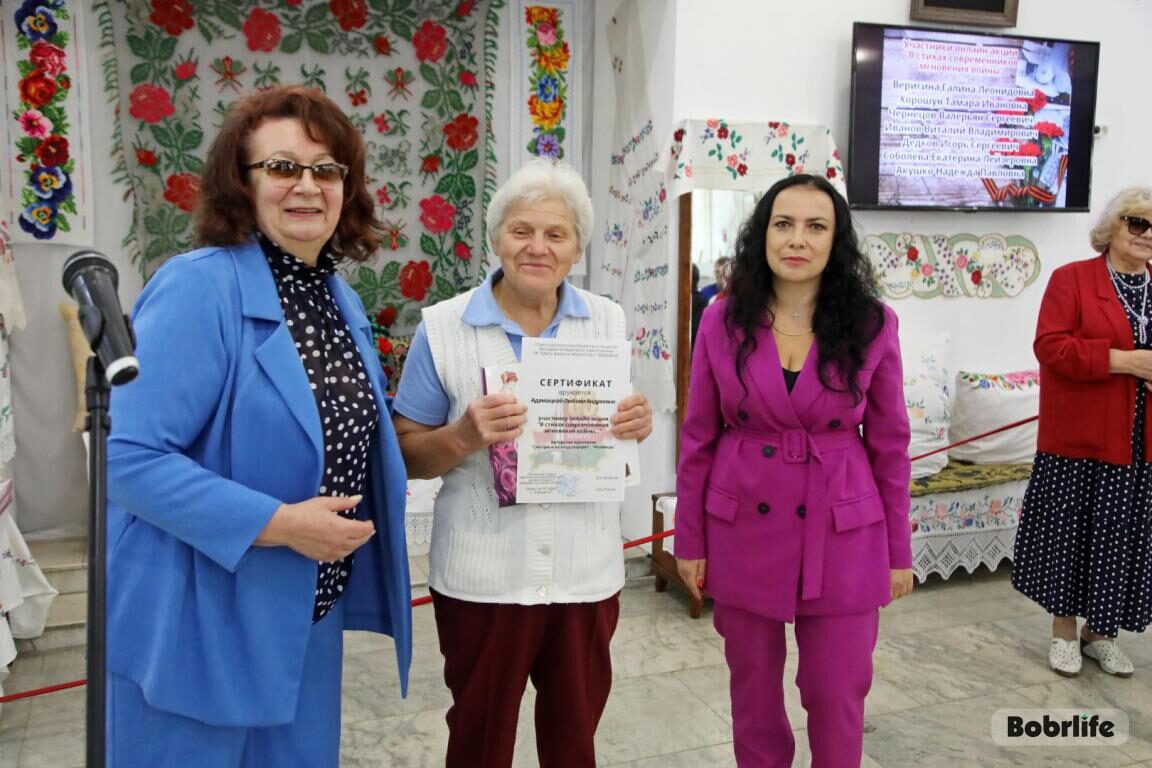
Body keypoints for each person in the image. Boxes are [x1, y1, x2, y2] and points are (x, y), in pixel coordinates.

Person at [105, 85, 412, 767]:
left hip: (306, 610)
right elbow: (125, 457)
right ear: (240, 184)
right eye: (282, 167)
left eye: (326, 170)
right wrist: (281, 524)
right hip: (200, 616)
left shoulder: (338, 299)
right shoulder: (199, 286)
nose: (307, 185)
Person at [392, 159, 653, 768]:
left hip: (585, 575)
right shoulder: (444, 329)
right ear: (496, 238)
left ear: (577, 249)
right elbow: (406, 454)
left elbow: (613, 431)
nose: (538, 247)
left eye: (556, 234)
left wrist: (633, 424)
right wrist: (461, 436)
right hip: (483, 579)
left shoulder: (607, 320)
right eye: (521, 230)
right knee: (479, 740)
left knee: (574, 741)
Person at [674, 173, 913, 768]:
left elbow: (890, 446)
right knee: (753, 693)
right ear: (763, 235)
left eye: (815, 226)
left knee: (836, 691)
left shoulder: (872, 323)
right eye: (783, 224)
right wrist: (689, 539)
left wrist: (898, 551)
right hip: (742, 525)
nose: (797, 239)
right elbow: (698, 437)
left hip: (843, 529)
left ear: (837, 240)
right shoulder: (722, 320)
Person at [1012, 186, 1152, 678]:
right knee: (1070, 536)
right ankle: (1064, 632)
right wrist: (1123, 361)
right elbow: (1050, 346)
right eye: (1138, 222)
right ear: (1112, 227)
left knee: (1121, 540)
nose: (1147, 234)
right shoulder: (1072, 279)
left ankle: (1101, 634)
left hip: (1140, 446)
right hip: (1079, 441)